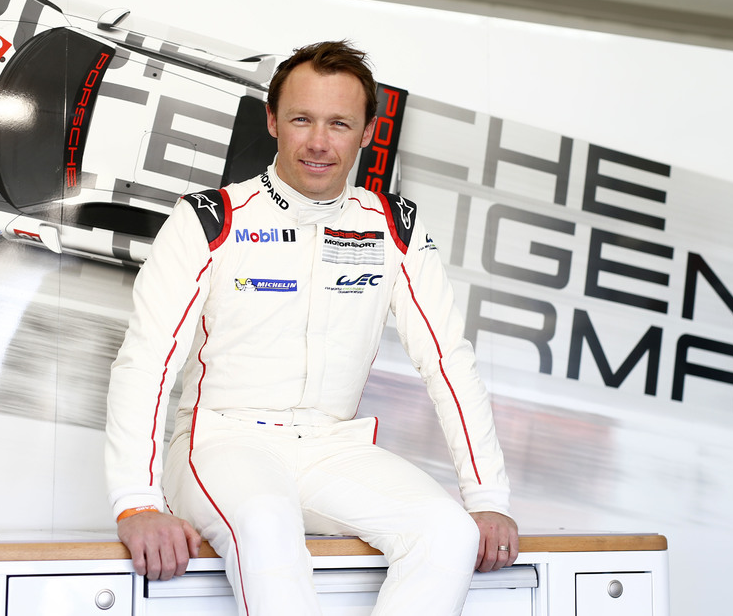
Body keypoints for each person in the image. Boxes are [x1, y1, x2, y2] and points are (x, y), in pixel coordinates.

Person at [105, 40, 518, 615]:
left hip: (333, 447)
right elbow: (147, 361)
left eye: (339, 123)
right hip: (221, 443)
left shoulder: (393, 228)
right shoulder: (210, 219)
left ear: (367, 132)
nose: (319, 142)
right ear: (273, 121)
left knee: (449, 533)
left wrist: (487, 496)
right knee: (267, 523)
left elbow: (448, 362)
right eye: (302, 119)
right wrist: (137, 501)